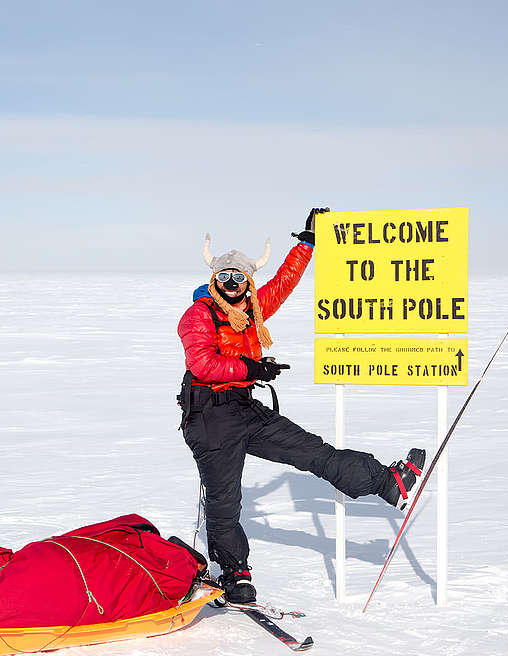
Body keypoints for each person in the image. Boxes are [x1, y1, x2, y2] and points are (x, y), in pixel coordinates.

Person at [176, 208, 427, 604]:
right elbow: (202, 364)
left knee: (313, 452)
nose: (232, 285)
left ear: (247, 281)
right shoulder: (198, 314)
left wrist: (306, 243)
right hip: (209, 417)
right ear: (214, 281)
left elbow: (283, 284)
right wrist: (251, 365)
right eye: (224, 277)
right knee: (225, 500)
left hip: (244, 407)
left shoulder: (254, 310)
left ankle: (386, 483)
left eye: (239, 277)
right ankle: (234, 573)